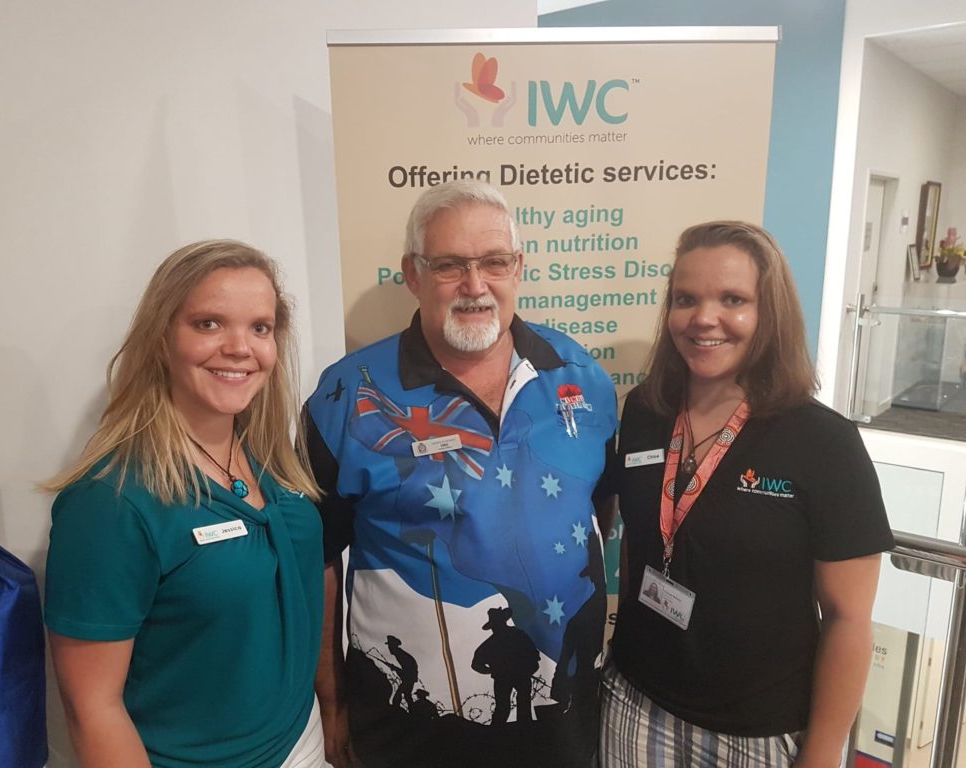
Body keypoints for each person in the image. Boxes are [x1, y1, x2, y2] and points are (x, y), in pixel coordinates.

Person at [304, 180, 617, 768]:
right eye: (450, 265)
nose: (476, 286)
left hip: (563, 730)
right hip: (411, 736)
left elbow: (597, 516)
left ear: (518, 267)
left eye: (495, 262)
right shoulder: (348, 397)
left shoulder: (581, 377)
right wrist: (332, 701)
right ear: (413, 274)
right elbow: (317, 560)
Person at [602, 221, 894, 767]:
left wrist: (825, 751)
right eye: (686, 299)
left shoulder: (822, 440)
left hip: (755, 732)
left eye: (732, 299)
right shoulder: (645, 410)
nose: (703, 318)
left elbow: (848, 618)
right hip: (634, 702)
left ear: (769, 313)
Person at [43, 240, 325, 768]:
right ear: (160, 339)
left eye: (260, 327)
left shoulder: (273, 463)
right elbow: (91, 707)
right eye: (209, 323)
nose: (241, 347)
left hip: (301, 744)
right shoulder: (110, 504)